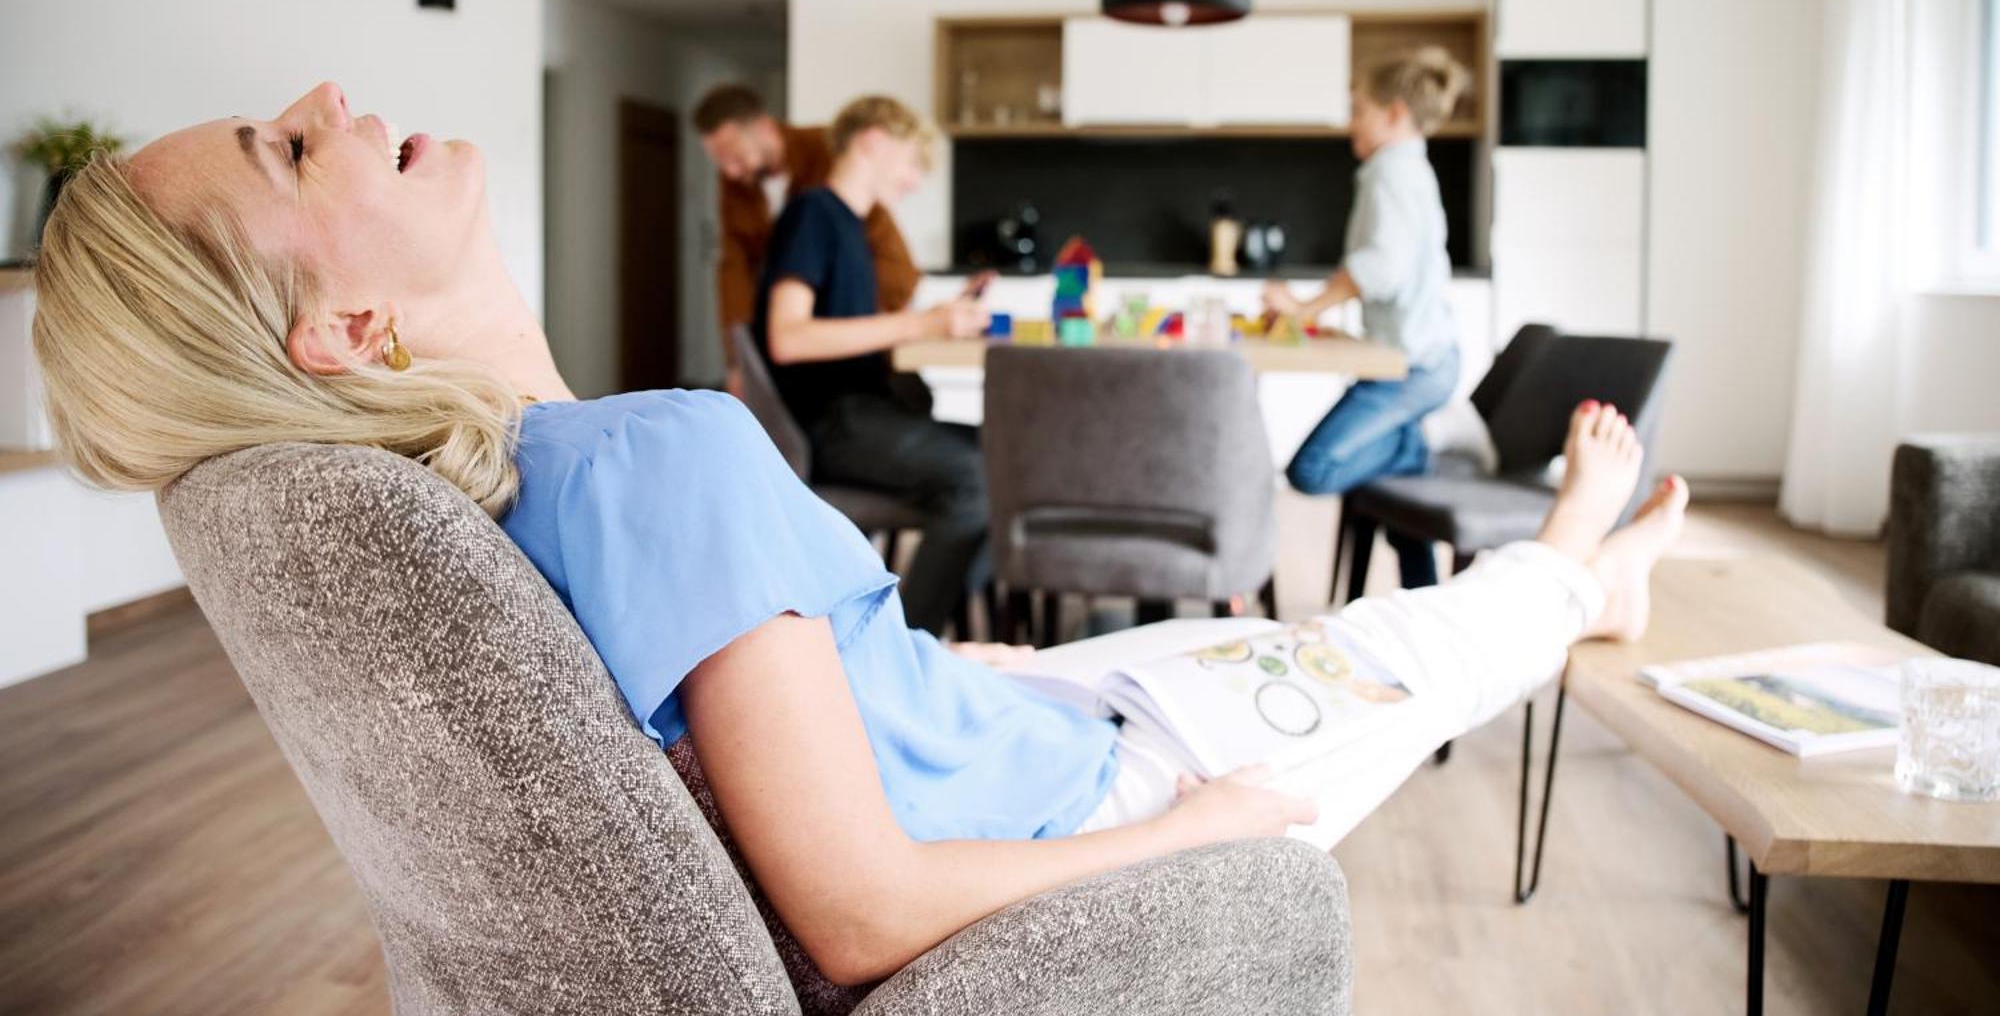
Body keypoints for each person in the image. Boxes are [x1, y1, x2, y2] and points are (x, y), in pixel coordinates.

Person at [32, 81, 1686, 991]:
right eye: (289, 146)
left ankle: (1576, 583)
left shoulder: (550, 481)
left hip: (995, 715)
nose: (328, 96)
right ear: (350, 329)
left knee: (1342, 646)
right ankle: (1580, 570)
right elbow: (863, 911)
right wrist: (1208, 831)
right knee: (1399, 651)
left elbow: (740, 719)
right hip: (1068, 794)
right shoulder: (655, 452)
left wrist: (921, 651)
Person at [754, 94, 990, 635]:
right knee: (974, 477)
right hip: (836, 422)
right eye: (912, 162)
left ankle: (978, 620)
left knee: (1000, 456)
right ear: (873, 139)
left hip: (864, 413)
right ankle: (905, 645)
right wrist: (923, 326)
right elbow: (789, 337)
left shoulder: (851, 228)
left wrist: (928, 319)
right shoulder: (814, 214)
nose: (915, 180)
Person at [1263, 46, 1471, 591]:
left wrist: (1306, 308)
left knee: (1311, 469)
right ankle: (1422, 598)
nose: (1350, 122)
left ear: (1395, 113)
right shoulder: (1407, 167)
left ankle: (1417, 443)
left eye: (1359, 110)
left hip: (1413, 368)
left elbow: (1380, 267)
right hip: (1416, 358)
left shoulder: (1392, 171)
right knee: (1401, 503)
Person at [692, 83, 919, 397]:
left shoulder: (826, 154)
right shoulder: (738, 185)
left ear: (764, 127)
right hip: (796, 354)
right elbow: (734, 268)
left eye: (733, 154)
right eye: (720, 161)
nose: (729, 171)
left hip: (843, 340)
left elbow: (881, 244)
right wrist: (738, 361)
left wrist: (885, 325)